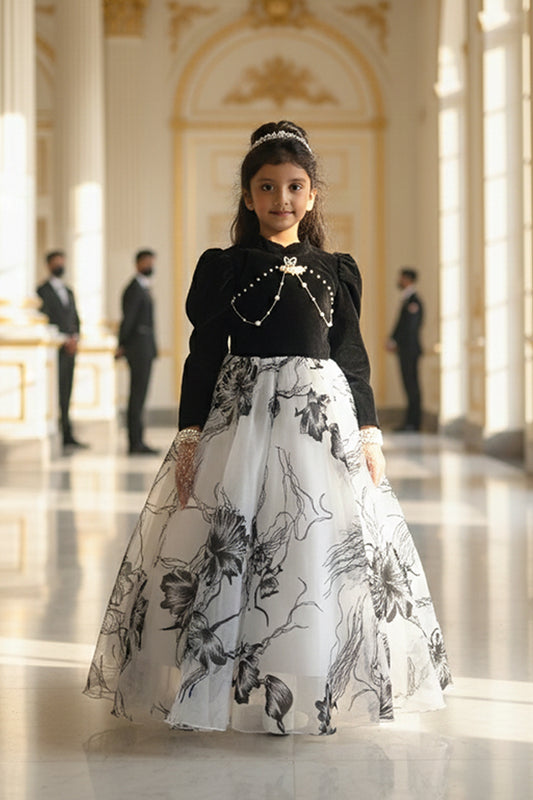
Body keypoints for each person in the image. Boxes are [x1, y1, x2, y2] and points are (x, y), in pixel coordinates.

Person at [84, 122, 450, 735]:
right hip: (243, 419)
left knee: (314, 541)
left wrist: (368, 430)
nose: (281, 198)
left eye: (294, 186)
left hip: (319, 423)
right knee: (237, 541)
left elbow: (351, 356)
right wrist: (191, 433)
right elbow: (204, 355)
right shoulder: (225, 267)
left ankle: (313, 674)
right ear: (249, 196)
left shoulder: (337, 269)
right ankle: (221, 674)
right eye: (267, 186)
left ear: (312, 196)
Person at [37, 251, 87, 449]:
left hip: (70, 349)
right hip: (55, 350)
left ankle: (68, 433)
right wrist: (63, 339)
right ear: (49, 264)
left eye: (62, 261)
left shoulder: (68, 290)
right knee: (55, 391)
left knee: (67, 391)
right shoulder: (42, 291)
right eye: (56, 262)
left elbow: (75, 318)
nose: (60, 265)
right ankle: (58, 431)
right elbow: (45, 318)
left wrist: (75, 338)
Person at [116, 249, 159, 455]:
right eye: (147, 262)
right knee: (137, 396)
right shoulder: (134, 289)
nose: (151, 265)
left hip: (146, 348)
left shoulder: (144, 288)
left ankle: (139, 439)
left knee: (141, 395)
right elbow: (129, 319)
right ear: (138, 263)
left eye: (152, 261)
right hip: (138, 348)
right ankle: (135, 442)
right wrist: (121, 343)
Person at [386, 268, 424, 431]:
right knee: (408, 386)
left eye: (401, 278)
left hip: (409, 350)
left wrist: (396, 342)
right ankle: (410, 421)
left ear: (408, 280)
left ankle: (413, 423)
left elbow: (410, 328)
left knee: (412, 386)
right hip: (405, 350)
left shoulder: (414, 302)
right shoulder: (407, 300)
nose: (399, 280)